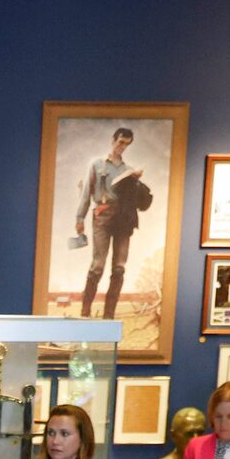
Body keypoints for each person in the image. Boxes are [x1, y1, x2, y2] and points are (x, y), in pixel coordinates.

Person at [74, 121, 153, 322]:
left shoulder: (129, 169)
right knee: (97, 265)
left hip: (124, 218)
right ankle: (85, 312)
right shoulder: (97, 164)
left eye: (127, 144)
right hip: (102, 215)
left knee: (119, 267)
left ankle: (109, 315)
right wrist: (79, 218)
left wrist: (135, 181)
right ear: (113, 141)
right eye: (120, 142)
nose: (122, 147)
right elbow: (85, 193)